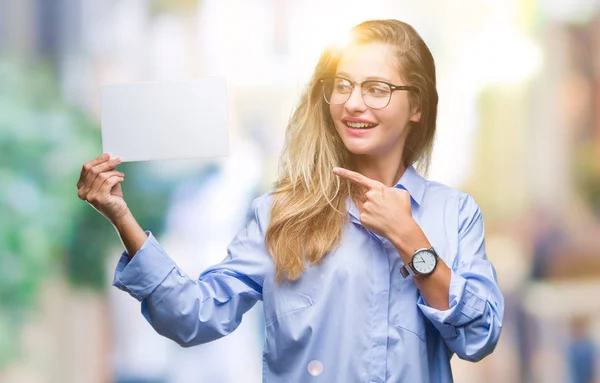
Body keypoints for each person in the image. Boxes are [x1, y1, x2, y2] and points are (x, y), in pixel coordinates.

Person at [77, 19, 504, 382]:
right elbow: (193, 316)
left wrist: (412, 241)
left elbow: (478, 338)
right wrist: (122, 217)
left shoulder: (455, 214)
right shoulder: (280, 213)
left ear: (417, 105)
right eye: (343, 85)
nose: (354, 103)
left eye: (376, 88)